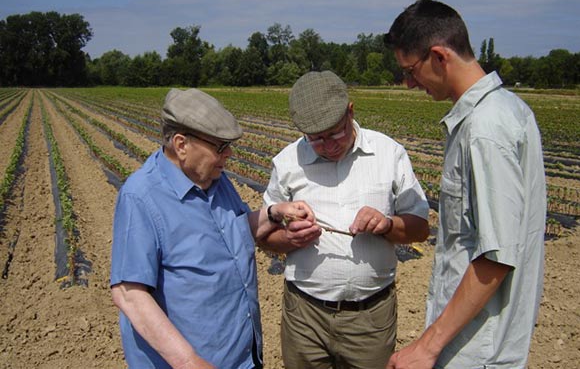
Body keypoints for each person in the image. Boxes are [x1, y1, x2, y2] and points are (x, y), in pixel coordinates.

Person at [383, 0, 547, 369]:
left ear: (439, 57)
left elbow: (497, 254)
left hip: (476, 349)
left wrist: (426, 346)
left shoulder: (485, 128)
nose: (409, 84)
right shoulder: (507, 110)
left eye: (410, 70)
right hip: (475, 340)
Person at [110, 88, 320, 369]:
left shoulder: (215, 180)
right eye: (220, 146)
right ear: (181, 144)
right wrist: (189, 362)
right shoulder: (142, 197)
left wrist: (274, 213)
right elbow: (129, 293)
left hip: (242, 357)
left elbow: (234, 231)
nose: (229, 153)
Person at [260, 71, 430, 369]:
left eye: (335, 133)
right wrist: (289, 239)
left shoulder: (388, 154)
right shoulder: (287, 162)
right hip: (304, 317)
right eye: (316, 139)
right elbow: (263, 236)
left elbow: (420, 228)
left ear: (350, 111)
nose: (328, 145)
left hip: (370, 319)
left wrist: (387, 225)